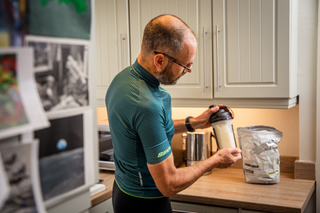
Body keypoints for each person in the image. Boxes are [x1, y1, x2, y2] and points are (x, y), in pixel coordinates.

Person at [105, 14, 242, 213]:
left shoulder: (123, 80)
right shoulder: (147, 104)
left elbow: (147, 130)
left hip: (123, 192)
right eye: (186, 66)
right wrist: (215, 160)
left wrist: (194, 123)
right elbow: (168, 183)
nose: (190, 70)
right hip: (145, 204)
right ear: (159, 60)